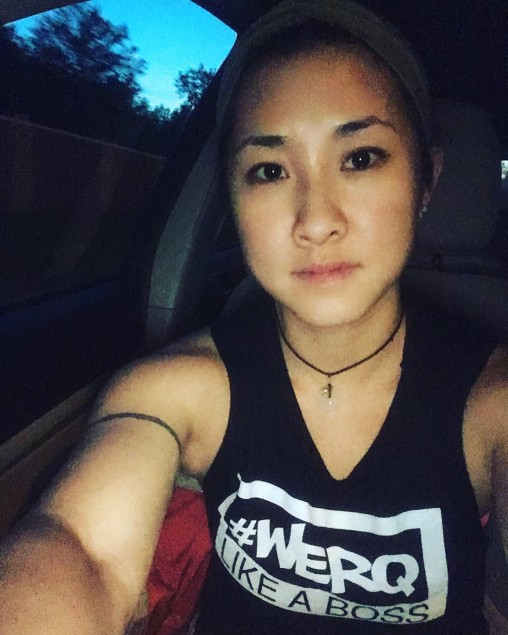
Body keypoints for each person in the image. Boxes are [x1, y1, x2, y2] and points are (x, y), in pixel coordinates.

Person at [1, 1, 506, 633]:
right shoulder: (175, 388)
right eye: (268, 171)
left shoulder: (493, 401)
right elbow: (81, 551)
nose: (315, 220)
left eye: (360, 158)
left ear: (425, 181)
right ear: (233, 201)